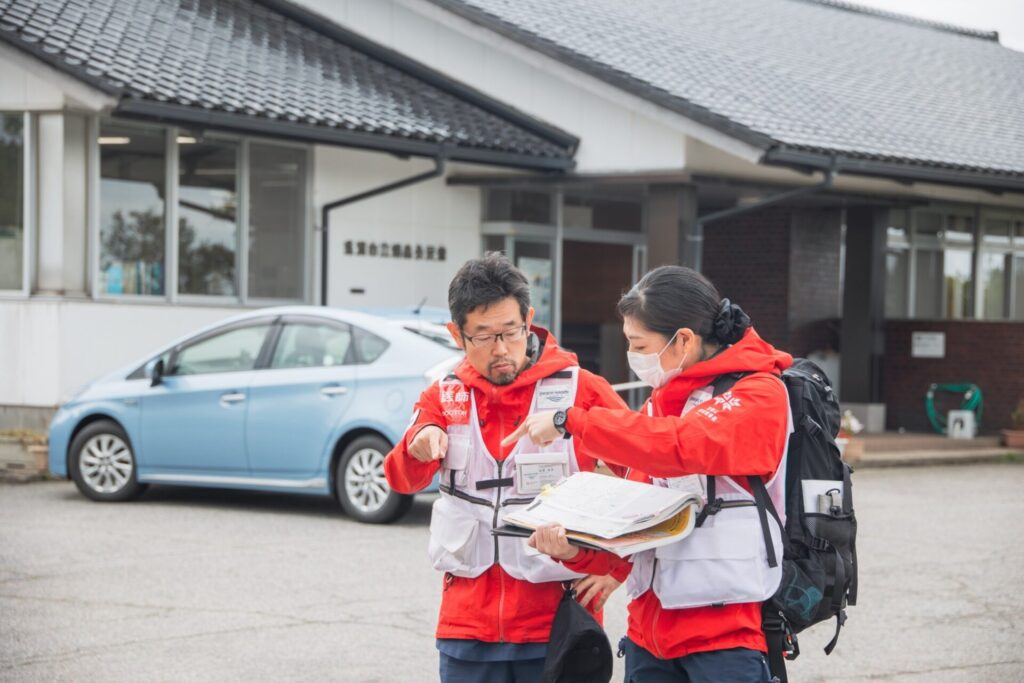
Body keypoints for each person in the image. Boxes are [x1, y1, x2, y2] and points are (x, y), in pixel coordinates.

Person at [504, 265, 792, 683]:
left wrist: (574, 421)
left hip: (727, 637)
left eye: (639, 345)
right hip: (648, 637)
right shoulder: (663, 401)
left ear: (684, 340)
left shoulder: (758, 393)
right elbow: (635, 520)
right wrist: (572, 551)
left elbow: (678, 447)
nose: (634, 357)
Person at [384, 253, 631, 683]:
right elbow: (401, 480)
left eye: (510, 332)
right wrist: (417, 446)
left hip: (559, 624)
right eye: (483, 336)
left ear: (529, 319)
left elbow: (648, 480)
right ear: (456, 334)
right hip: (467, 627)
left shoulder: (582, 390)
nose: (501, 349)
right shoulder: (443, 396)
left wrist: (616, 567)